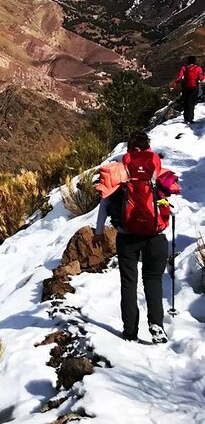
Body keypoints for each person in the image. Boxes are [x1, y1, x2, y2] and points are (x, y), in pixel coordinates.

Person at [94, 131, 169, 344]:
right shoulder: (157, 169)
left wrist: (99, 232)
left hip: (127, 237)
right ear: (148, 149)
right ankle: (156, 324)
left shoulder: (119, 170)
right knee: (153, 281)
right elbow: (167, 200)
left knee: (129, 283)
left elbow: (104, 205)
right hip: (155, 236)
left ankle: (130, 331)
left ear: (128, 150)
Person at [171, 56, 204, 124]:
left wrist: (174, 85)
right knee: (191, 103)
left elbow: (179, 77)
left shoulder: (184, 68)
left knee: (186, 103)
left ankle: (186, 118)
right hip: (194, 88)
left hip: (185, 88)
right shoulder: (198, 68)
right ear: (194, 61)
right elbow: (201, 78)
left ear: (188, 61)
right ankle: (191, 119)